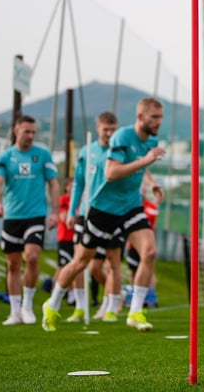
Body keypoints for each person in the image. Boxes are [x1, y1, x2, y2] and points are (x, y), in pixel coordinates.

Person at [42, 98, 166, 332]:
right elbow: (111, 173)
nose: (159, 122)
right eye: (154, 118)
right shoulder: (121, 137)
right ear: (140, 117)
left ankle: (135, 312)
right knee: (81, 262)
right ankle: (53, 302)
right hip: (103, 208)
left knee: (149, 252)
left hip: (130, 206)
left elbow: (140, 164)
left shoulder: (151, 140)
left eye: (160, 117)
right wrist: (146, 160)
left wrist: (152, 184)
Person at [0, 115, 60, 326]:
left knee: (31, 256)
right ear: (16, 130)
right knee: (12, 263)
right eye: (26, 131)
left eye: (33, 132)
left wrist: (55, 212)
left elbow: (54, 184)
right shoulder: (5, 157)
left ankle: (28, 306)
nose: (30, 136)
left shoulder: (42, 155)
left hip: (36, 214)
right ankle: (14, 312)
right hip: (12, 216)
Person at [68, 111, 121, 322]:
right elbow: (78, 183)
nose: (109, 133)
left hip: (111, 213)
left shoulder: (119, 152)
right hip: (86, 213)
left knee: (111, 261)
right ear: (98, 128)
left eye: (113, 129)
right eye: (106, 129)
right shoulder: (86, 152)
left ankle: (110, 305)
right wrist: (72, 211)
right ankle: (80, 307)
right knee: (79, 261)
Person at [125, 177, 164, 308]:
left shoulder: (149, 208)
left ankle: (151, 296)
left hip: (145, 243)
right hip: (132, 245)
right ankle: (133, 296)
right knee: (134, 271)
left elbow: (152, 219)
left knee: (149, 267)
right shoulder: (131, 207)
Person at [53, 179, 87, 322]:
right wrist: (72, 217)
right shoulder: (65, 200)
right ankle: (55, 297)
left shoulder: (82, 202)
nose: (73, 188)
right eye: (70, 185)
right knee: (65, 267)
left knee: (78, 266)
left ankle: (74, 298)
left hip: (77, 235)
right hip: (65, 238)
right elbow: (64, 216)